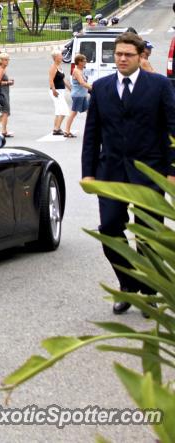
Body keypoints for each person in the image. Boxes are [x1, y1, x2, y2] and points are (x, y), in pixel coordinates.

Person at [81, 32, 175, 315]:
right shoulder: (100, 87)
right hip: (110, 171)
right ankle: (128, 283)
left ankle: (148, 291)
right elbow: (92, 133)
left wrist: (171, 170)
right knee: (110, 229)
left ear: (140, 56)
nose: (121, 59)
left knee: (147, 234)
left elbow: (172, 128)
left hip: (150, 172)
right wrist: (88, 173)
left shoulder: (159, 86)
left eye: (128, 55)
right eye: (118, 54)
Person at [64, 53, 92, 138]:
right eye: (84, 61)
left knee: (89, 112)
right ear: (79, 62)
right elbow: (82, 83)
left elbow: (85, 82)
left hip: (82, 95)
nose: (85, 62)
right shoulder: (76, 71)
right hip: (78, 95)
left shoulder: (81, 70)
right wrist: (92, 88)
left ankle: (91, 130)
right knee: (73, 113)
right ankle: (67, 131)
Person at [48, 49, 70, 136]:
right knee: (64, 110)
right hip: (56, 91)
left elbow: (63, 79)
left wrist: (70, 88)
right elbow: (50, 80)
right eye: (60, 55)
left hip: (60, 91)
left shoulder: (59, 66)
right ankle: (57, 129)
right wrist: (53, 90)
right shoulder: (53, 67)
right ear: (56, 57)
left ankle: (56, 128)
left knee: (59, 110)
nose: (62, 57)